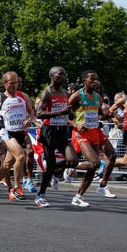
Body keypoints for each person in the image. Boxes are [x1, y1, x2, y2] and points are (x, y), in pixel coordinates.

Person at [68, 70, 118, 207]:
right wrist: (76, 125)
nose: (94, 81)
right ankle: (69, 167)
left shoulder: (97, 97)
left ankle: (78, 196)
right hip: (81, 133)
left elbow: (101, 115)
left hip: (94, 132)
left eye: (96, 79)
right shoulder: (77, 96)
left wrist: (109, 115)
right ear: (84, 80)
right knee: (95, 162)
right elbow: (65, 115)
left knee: (94, 165)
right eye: (91, 79)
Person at [0, 71, 39, 202]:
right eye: (11, 83)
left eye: (16, 82)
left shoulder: (23, 96)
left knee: (7, 164)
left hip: (20, 132)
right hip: (7, 132)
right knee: (21, 155)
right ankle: (16, 188)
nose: (15, 85)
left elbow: (31, 112)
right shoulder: (0, 99)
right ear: (5, 84)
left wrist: (30, 120)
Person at [34, 66, 79, 208]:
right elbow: (39, 114)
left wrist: (71, 112)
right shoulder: (47, 92)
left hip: (63, 130)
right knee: (51, 163)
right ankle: (40, 195)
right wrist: (60, 112)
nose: (63, 77)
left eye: (64, 74)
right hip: (49, 131)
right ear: (52, 76)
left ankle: (52, 171)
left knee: (73, 161)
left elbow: (68, 113)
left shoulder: (65, 93)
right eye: (60, 75)